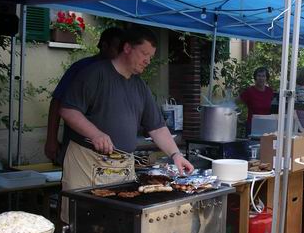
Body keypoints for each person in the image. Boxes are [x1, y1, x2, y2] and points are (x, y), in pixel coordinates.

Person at [59, 25, 193, 191]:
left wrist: (176, 155)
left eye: (150, 56)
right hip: (86, 165)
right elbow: (68, 110)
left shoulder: (140, 86)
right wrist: (95, 134)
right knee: (86, 215)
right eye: (144, 54)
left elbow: (157, 128)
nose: (148, 61)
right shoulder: (94, 74)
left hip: (123, 168)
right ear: (127, 48)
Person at [44, 27, 124, 163]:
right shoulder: (82, 68)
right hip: (80, 149)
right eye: (117, 49)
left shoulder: (123, 73)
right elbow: (57, 101)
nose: (121, 54)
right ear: (104, 46)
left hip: (114, 153)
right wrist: (51, 139)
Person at [239, 66, 274, 134]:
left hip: (266, 126)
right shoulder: (249, 91)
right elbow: (236, 102)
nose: (261, 78)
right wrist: (238, 117)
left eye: (263, 76)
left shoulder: (270, 91)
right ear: (255, 77)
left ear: (266, 78)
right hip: (252, 126)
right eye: (259, 76)